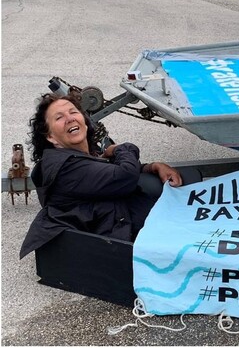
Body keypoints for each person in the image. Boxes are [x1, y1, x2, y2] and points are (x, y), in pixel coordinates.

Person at [20, 93, 201, 259]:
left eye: (73, 112)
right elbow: (124, 176)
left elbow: (107, 173)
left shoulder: (81, 156)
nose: (69, 119)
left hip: (122, 217)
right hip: (115, 237)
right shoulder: (65, 167)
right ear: (51, 137)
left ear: (83, 119)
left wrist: (152, 167)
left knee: (185, 183)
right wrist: (120, 148)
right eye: (59, 117)